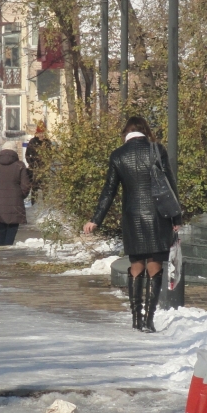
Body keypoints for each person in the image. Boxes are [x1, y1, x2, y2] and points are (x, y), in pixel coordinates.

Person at [83, 116, 181, 332]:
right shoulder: (157, 150)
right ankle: (149, 320)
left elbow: (109, 191)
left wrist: (96, 219)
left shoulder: (118, 155)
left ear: (125, 133)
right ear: (145, 131)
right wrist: (177, 218)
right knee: (155, 266)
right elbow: (169, 185)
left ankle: (136, 318)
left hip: (132, 217)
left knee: (136, 265)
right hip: (158, 216)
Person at [0, 140, 31, 246]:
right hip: (16, 202)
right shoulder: (20, 165)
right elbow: (26, 185)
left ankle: (1, 248)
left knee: (1, 227)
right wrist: (20, 195)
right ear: (15, 151)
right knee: (12, 227)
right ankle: (8, 248)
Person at [25, 123, 51, 204]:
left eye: (43, 133)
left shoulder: (47, 142)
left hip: (44, 169)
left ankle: (45, 204)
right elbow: (27, 155)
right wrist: (32, 164)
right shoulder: (33, 142)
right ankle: (34, 203)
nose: (41, 135)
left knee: (45, 188)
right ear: (37, 133)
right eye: (40, 133)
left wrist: (47, 165)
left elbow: (50, 156)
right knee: (34, 187)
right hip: (35, 169)